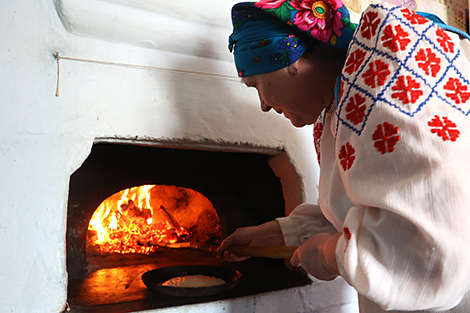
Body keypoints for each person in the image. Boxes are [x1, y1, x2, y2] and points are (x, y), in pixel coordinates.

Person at [218, 0, 470, 312]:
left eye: (256, 84)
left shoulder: (391, 81)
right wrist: (279, 234)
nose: (264, 105)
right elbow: (374, 211)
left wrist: (330, 255)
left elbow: (431, 259)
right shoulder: (346, 103)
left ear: (290, 58)